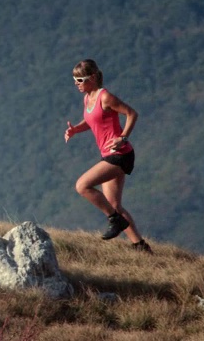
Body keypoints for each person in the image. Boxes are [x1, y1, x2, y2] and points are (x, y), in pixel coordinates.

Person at [64, 59, 152, 253]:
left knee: (82, 186)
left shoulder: (105, 97)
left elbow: (131, 114)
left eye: (80, 79)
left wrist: (123, 137)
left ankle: (115, 221)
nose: (76, 84)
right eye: (74, 80)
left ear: (93, 78)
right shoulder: (88, 98)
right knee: (113, 204)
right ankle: (141, 247)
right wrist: (76, 130)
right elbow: (92, 120)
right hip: (109, 155)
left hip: (120, 154)